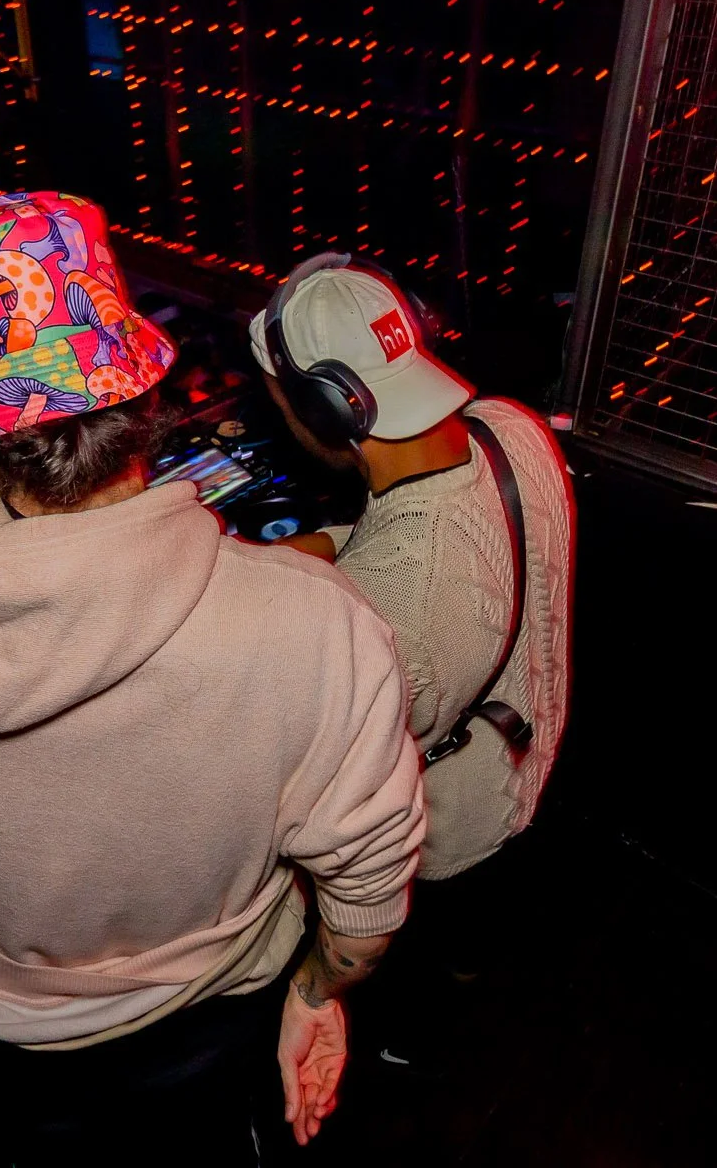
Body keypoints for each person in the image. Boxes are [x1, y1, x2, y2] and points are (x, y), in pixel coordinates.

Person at [0, 194, 425, 1163]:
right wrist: (316, 994)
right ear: (145, 397)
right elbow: (367, 891)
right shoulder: (316, 626)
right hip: (208, 1021)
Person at [248, 252, 575, 1061]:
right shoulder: (509, 424)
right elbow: (421, 531)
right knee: (478, 928)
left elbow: (345, 773)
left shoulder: (388, 610)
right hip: (533, 743)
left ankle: (426, 1039)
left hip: (455, 823)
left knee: (438, 949)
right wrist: (325, 548)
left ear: (329, 407)